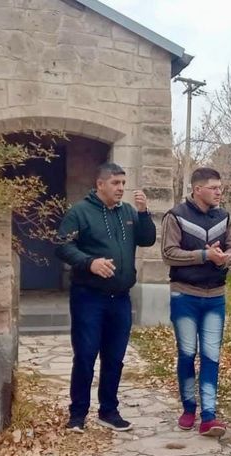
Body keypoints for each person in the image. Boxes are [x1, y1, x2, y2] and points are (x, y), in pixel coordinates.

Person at [56, 162, 156, 434]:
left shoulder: (128, 213)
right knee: (86, 355)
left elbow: (147, 240)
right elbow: (62, 245)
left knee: (115, 357)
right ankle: (77, 415)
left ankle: (109, 411)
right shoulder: (80, 212)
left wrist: (144, 213)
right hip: (89, 296)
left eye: (123, 183)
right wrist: (89, 263)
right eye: (115, 183)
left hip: (120, 297)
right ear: (100, 184)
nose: (121, 188)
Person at [161, 168, 231, 437]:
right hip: (184, 294)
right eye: (214, 187)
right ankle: (188, 408)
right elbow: (169, 253)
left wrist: (226, 258)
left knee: (211, 356)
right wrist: (204, 255)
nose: (219, 192)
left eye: (221, 187)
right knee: (187, 353)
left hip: (215, 296)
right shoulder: (176, 216)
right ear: (197, 190)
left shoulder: (224, 216)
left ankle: (209, 416)